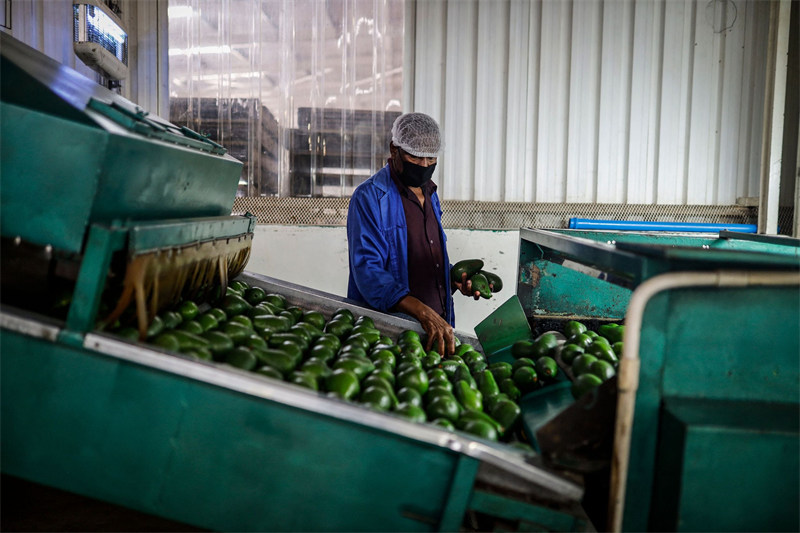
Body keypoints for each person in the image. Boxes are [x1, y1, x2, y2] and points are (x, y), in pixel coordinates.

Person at [346, 112, 484, 356]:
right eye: (415, 156)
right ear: (394, 149)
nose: (424, 166)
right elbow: (368, 271)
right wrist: (421, 311)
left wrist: (451, 279)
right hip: (392, 333)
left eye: (431, 158)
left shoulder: (430, 194)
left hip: (436, 327)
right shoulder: (370, 198)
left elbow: (423, 251)